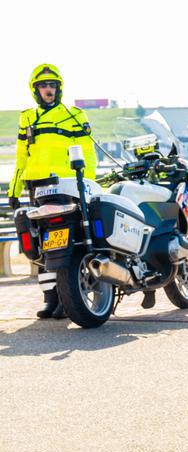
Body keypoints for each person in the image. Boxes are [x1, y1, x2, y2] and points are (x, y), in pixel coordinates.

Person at [7, 64, 96, 320]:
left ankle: (69, 296)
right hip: (37, 188)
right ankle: (51, 299)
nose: (49, 89)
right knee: (42, 245)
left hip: (68, 185)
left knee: (68, 241)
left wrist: (86, 182)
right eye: (44, 85)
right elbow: (22, 156)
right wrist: (14, 189)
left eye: (53, 85)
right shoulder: (27, 117)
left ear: (59, 88)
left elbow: (87, 151)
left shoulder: (74, 115)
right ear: (35, 90)